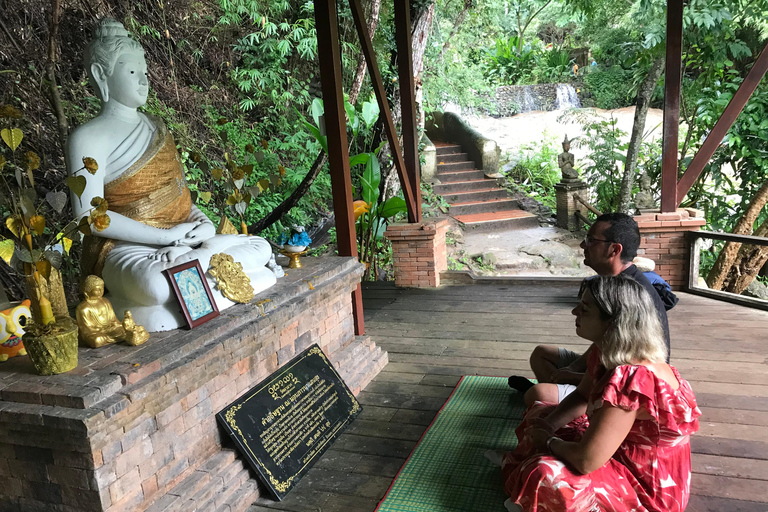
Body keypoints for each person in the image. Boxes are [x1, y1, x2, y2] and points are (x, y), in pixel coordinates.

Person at [65, 18, 276, 332]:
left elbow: (179, 193)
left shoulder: (156, 127)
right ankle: (212, 267)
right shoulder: (89, 137)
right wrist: (164, 238)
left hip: (184, 240)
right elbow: (90, 217)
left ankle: (200, 263)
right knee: (156, 286)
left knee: (260, 245)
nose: (143, 80)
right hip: (128, 248)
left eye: (145, 72)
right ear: (101, 74)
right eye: (132, 71)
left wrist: (201, 224)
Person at [490, 275, 700, 512]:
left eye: (585, 308)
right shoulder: (604, 352)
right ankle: (523, 468)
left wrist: (548, 441)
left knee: (546, 473)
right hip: (616, 453)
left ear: (614, 321)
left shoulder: (632, 378)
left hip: (645, 487)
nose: (574, 311)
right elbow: (581, 396)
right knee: (541, 412)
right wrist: (546, 427)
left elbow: (586, 461)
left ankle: (526, 478)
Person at [508, 212, 672, 406]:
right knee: (541, 354)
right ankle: (563, 401)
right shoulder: (611, 282)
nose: (583, 245)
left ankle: (576, 407)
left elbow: (626, 370)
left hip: (627, 380)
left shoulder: (629, 295)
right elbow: (605, 341)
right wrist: (575, 368)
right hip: (604, 361)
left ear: (614, 250)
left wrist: (576, 377)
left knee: (537, 394)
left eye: (591, 240)